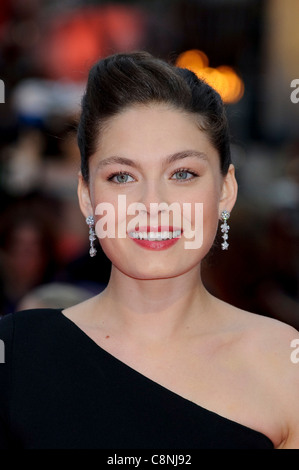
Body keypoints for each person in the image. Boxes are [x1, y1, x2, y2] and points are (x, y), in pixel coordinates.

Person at [0, 51, 298, 449]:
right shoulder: (17, 356)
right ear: (87, 197)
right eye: (122, 176)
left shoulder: (283, 364)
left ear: (225, 191)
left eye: (182, 174)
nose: (152, 204)